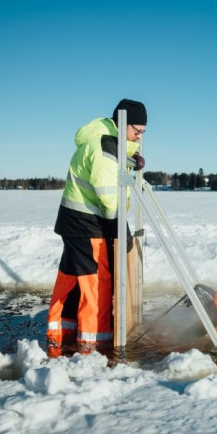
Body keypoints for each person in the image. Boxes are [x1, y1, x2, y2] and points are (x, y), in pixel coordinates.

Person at [47, 98, 147, 353]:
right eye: (136, 131)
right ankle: (94, 344)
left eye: (142, 133)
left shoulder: (103, 141)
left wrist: (129, 162)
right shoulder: (104, 145)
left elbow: (110, 172)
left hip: (75, 221)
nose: (138, 137)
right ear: (122, 124)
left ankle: (61, 334)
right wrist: (119, 227)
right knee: (96, 283)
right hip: (88, 223)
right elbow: (107, 191)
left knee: (71, 279)